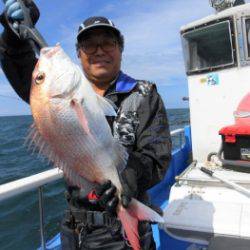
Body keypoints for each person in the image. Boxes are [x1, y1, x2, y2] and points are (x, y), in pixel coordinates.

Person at [0, 1, 172, 249]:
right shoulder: (55, 94)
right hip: (75, 229)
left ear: (120, 49)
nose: (99, 50)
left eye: (108, 42)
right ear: (78, 53)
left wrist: (127, 178)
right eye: (89, 44)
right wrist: (14, 38)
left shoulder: (144, 94)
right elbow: (24, 69)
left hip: (121, 231)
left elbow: (158, 156)